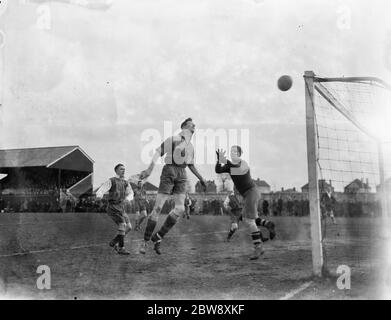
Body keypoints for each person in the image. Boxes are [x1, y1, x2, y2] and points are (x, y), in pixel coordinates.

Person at [138, 118, 207, 255]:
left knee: (180, 208)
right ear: (184, 127)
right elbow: (158, 152)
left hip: (182, 174)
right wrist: (149, 170)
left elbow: (190, 164)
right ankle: (145, 242)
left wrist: (201, 178)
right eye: (190, 124)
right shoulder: (173, 139)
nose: (194, 126)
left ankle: (158, 237)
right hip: (169, 171)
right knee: (158, 207)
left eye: (194, 125)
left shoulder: (190, 146)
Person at [215, 146, 276, 260]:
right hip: (249, 194)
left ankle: (258, 248)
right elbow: (218, 170)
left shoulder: (243, 164)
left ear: (240, 154)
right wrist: (219, 161)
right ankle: (268, 224)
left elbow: (238, 170)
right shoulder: (230, 165)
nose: (233, 153)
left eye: (235, 152)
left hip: (251, 192)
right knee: (247, 218)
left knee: (249, 220)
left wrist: (226, 162)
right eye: (231, 151)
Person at [96, 164, 134, 255]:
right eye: (121, 169)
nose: (123, 171)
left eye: (124, 169)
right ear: (116, 170)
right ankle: (121, 248)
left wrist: (128, 199)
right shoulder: (111, 180)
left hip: (121, 207)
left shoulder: (126, 182)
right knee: (123, 225)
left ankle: (115, 242)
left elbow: (131, 193)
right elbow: (102, 189)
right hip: (113, 207)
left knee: (129, 227)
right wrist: (99, 196)